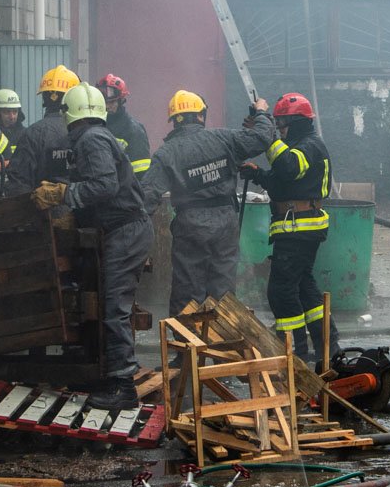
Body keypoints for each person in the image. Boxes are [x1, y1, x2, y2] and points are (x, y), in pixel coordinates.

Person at [32, 83, 153, 410]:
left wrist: (63, 194)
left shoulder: (92, 139)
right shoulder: (97, 137)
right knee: (110, 303)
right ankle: (112, 374)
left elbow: (104, 185)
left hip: (125, 230)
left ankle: (122, 388)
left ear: (69, 115)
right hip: (122, 229)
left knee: (114, 306)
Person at [142, 91, 274, 317]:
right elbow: (263, 137)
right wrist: (261, 112)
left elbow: (147, 197)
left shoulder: (167, 153)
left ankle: (187, 348)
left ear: (175, 120)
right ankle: (222, 344)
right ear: (201, 116)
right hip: (225, 223)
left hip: (190, 225)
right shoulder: (224, 138)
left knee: (188, 289)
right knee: (222, 290)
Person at [238, 93, 340, 363]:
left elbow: (289, 167)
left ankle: (296, 352)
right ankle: (327, 347)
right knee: (304, 287)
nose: (280, 129)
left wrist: (267, 131)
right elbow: (283, 181)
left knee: (281, 291)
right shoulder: (299, 144)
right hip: (296, 228)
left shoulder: (310, 146)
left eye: (282, 123)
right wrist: (258, 174)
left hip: (299, 228)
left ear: (296, 122)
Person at [6, 65, 79, 197]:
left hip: (42, 212)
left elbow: (18, 183)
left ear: (44, 98)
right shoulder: (86, 131)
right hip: (82, 212)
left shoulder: (33, 133)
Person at [94, 73, 151, 179]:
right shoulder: (96, 125)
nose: (107, 106)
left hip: (123, 192)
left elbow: (142, 174)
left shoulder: (134, 130)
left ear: (121, 101)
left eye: (111, 102)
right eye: (104, 103)